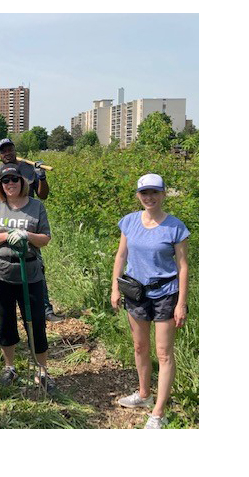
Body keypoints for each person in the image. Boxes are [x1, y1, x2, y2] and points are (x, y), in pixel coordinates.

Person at [110, 173, 190, 429]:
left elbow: (183, 267)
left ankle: (158, 413)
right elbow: (121, 256)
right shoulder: (130, 222)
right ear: (138, 195)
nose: (149, 197)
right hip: (136, 292)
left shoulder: (175, 227)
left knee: (164, 353)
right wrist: (115, 287)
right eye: (145, 193)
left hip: (165, 294)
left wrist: (181, 303)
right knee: (139, 347)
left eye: (155, 192)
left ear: (163, 194)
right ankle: (144, 394)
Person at [0, 166, 56, 393]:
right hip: (0, 273)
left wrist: (27, 235)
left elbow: (45, 238)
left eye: (14, 179)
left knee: (35, 322)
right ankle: (10, 367)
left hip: (29, 273)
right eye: (5, 181)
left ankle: (42, 370)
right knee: (5, 321)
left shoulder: (36, 206)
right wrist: (6, 236)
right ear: (0, 185)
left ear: (22, 182)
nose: (10, 183)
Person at [0, 138, 62, 322]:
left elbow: (43, 195)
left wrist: (41, 177)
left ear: (14, 150)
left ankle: (45, 309)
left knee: (36, 266)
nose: (7, 153)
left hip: (29, 223)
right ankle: (12, 310)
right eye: (3, 151)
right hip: (6, 223)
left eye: (10, 149)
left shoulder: (28, 169)